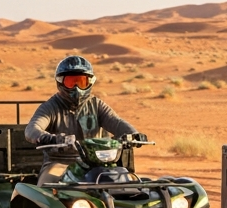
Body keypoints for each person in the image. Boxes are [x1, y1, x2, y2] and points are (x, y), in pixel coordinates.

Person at [23, 55, 144, 183]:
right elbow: (32, 129)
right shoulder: (50, 107)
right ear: (60, 82)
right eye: (71, 82)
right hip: (60, 163)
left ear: (90, 82)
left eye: (81, 82)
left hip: (96, 163)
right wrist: (48, 138)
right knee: (47, 186)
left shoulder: (96, 105)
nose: (76, 88)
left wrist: (133, 134)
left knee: (129, 182)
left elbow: (115, 121)